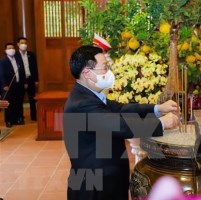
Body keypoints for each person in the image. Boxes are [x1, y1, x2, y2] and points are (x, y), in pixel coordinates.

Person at [63, 45, 179, 200]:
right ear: (87, 73)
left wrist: (157, 108)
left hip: (107, 178)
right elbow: (120, 125)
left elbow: (122, 108)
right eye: (104, 67)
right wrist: (161, 123)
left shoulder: (90, 95)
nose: (109, 72)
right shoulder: (82, 102)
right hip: (95, 185)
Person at [0, 43, 26, 127]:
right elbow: (1, 74)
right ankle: (9, 120)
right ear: (5, 50)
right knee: (9, 103)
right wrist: (4, 85)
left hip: (18, 84)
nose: (11, 49)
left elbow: (22, 72)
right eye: (9, 48)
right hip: (8, 85)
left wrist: (24, 82)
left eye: (12, 48)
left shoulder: (18, 59)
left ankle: (18, 118)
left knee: (18, 102)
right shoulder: (3, 61)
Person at [15, 37, 39, 121]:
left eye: (25, 43)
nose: (24, 45)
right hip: (20, 81)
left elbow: (35, 67)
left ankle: (34, 116)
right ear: (18, 44)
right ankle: (20, 117)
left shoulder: (31, 54)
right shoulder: (15, 55)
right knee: (19, 99)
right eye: (22, 43)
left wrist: (36, 80)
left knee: (32, 99)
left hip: (30, 79)